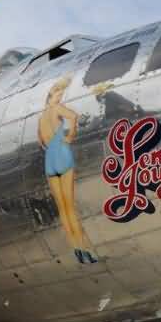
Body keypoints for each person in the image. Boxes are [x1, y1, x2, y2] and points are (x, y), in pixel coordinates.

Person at [38, 77, 97, 264]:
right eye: (59, 93)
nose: (60, 96)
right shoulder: (57, 109)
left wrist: (51, 146)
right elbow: (74, 116)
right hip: (62, 154)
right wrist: (70, 136)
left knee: (62, 209)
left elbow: (41, 141)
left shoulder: (41, 118)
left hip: (50, 160)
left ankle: (77, 250)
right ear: (52, 95)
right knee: (70, 207)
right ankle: (85, 249)